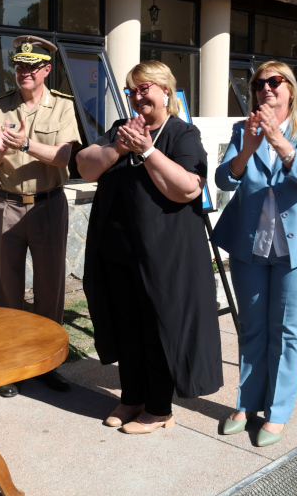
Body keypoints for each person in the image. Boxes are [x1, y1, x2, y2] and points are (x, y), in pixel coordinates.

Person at [76, 61, 222, 434]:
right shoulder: (119, 131)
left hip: (163, 256)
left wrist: (147, 151)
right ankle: (132, 396)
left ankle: (159, 408)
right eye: (132, 90)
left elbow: (188, 187)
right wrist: (119, 147)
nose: (137, 95)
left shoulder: (182, 133)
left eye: (145, 88)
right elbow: (84, 166)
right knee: (126, 326)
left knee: (157, 328)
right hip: (117, 252)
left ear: (166, 92)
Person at [211, 61, 297, 447]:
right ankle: (247, 402)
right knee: (253, 326)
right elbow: (224, 179)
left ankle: (278, 411)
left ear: (290, 89)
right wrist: (247, 148)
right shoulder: (241, 128)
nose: (266, 87)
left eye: (275, 81)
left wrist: (278, 140)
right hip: (252, 242)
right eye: (259, 82)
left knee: (288, 330)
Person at [0, 35, 82, 397]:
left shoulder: (63, 107)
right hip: (6, 203)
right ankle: (10, 365)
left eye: (32, 67)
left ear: (46, 70)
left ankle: (47, 363)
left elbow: (65, 157)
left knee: (50, 287)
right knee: (6, 286)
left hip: (48, 204)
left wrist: (22, 143)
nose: (24, 72)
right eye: (19, 66)